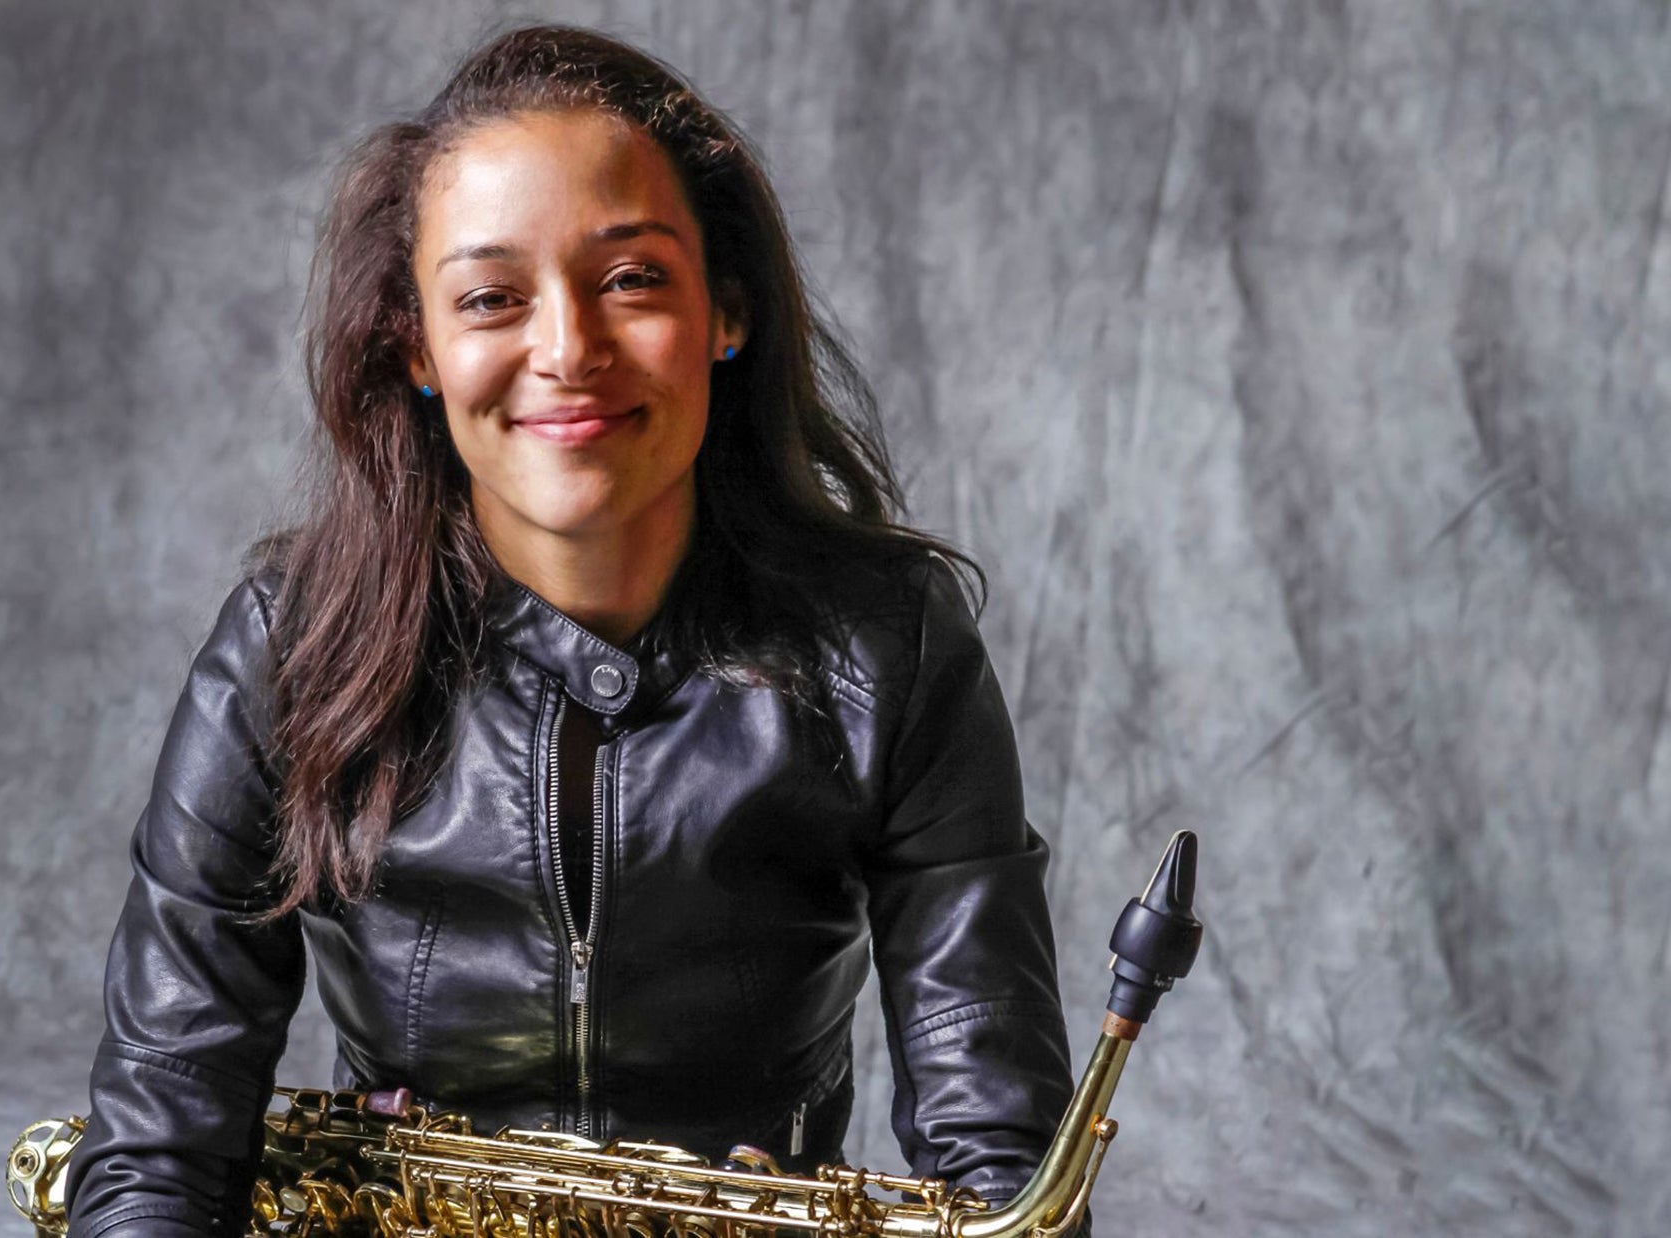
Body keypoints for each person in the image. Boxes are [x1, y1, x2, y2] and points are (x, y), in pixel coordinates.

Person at [63, 23, 1076, 1238]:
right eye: (491, 298)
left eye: (632, 278)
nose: (567, 351)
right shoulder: (289, 646)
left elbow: (998, 1156)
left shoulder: (889, 644)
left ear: (727, 312)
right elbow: (158, 1143)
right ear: (417, 347)